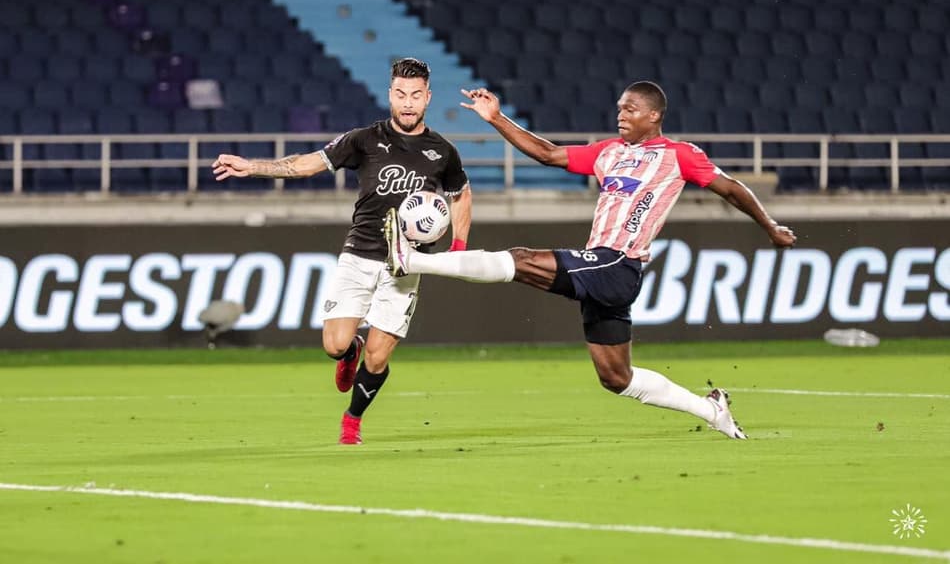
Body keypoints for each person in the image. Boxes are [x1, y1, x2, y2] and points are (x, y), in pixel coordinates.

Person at [384, 81, 796, 440]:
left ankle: (416, 261)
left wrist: (770, 225)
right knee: (616, 378)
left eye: (630, 109)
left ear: (654, 116)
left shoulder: (678, 155)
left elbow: (731, 188)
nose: (621, 115)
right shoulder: (609, 152)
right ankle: (713, 411)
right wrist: (496, 118)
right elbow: (548, 154)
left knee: (522, 260)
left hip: (618, 263)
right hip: (602, 268)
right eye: (619, 107)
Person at [212, 58, 472, 445]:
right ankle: (350, 352)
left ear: (428, 98)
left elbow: (461, 194)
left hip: (405, 264)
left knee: (380, 357)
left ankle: (353, 419)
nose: (407, 103)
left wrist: (459, 248)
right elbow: (306, 165)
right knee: (335, 345)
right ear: (390, 95)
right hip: (359, 255)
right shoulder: (363, 139)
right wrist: (253, 167)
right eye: (400, 94)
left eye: (416, 95)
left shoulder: (443, 152)